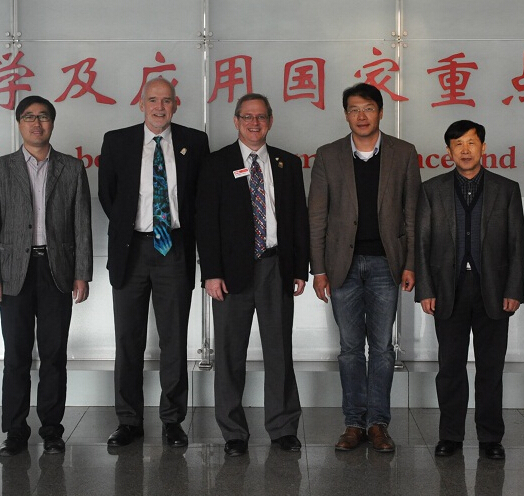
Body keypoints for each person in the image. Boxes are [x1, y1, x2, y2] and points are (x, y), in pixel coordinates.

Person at [307, 83, 421, 453]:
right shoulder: (328, 155)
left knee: (383, 348)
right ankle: (353, 423)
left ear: (380, 112)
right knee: (350, 348)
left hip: (387, 264)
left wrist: (410, 263)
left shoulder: (403, 153)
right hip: (343, 266)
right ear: (346, 114)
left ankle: (378, 424)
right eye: (354, 109)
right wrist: (318, 269)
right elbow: (317, 216)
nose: (361, 116)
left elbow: (412, 213)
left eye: (368, 108)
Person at [98, 77, 210, 448]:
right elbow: (108, 195)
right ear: (141, 103)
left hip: (173, 248)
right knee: (128, 340)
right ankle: (128, 421)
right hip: (131, 249)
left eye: (166, 100)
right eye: (153, 100)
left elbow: (200, 198)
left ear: (176, 104)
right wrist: (133, 228)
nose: (159, 107)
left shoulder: (195, 142)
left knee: (174, 340)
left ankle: (172, 421)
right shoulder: (117, 141)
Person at [197, 94, 309, 456]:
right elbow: (206, 222)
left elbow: (298, 218)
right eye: (247, 117)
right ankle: (233, 432)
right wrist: (211, 273)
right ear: (236, 121)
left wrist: (300, 268)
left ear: (270, 121)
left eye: (261, 117)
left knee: (279, 351)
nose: (254, 123)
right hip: (231, 273)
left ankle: (283, 428)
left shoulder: (288, 163)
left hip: (276, 267)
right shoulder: (216, 164)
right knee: (230, 354)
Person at [0, 95, 92, 457]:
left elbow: (82, 225)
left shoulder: (71, 168)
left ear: (52, 123)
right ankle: (15, 431)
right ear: (19, 124)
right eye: (29, 117)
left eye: (43, 117)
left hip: (57, 270)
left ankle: (52, 430)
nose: (36, 123)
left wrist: (82, 273)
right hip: (15, 272)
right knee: (16, 355)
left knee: (54, 354)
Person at [416, 120, 524, 460]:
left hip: (493, 289)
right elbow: (422, 243)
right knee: (450, 367)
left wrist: (514, 289)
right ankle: (450, 436)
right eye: (458, 144)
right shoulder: (432, 190)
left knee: (490, 368)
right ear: (448, 151)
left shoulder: (506, 189)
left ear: (483, 147)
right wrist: (425, 289)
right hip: (448, 290)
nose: (465, 150)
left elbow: (517, 244)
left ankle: (491, 438)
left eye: (471, 143)